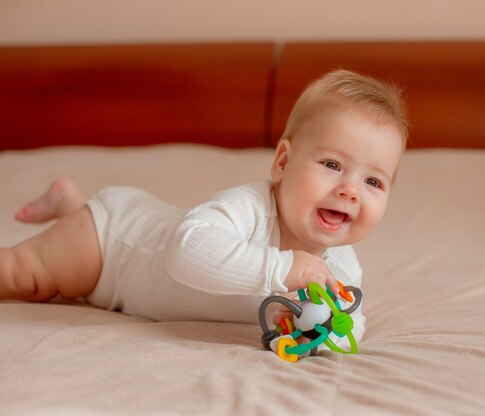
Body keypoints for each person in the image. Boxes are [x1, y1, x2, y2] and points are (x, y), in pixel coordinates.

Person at [0, 69, 408, 346]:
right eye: (332, 165)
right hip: (111, 247)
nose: (350, 191)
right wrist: (280, 269)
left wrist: (327, 333)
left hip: (132, 232)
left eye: (373, 181)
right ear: (282, 162)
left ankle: (68, 200)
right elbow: (185, 252)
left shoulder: (342, 266)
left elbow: (351, 318)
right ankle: (80, 212)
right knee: (25, 276)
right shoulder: (249, 207)